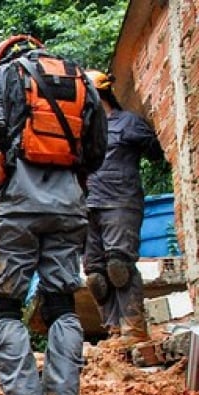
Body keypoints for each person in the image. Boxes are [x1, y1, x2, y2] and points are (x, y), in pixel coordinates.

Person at [0, 35, 107, 395]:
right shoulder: (81, 79)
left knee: (4, 305)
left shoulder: (6, 76)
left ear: (1, 60)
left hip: (17, 207)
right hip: (69, 206)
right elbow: (96, 151)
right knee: (61, 302)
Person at [82, 69, 165, 347]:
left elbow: (157, 154)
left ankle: (134, 330)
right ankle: (114, 332)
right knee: (95, 274)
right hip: (87, 207)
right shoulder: (80, 133)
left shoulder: (128, 122)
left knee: (119, 266)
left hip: (120, 202)